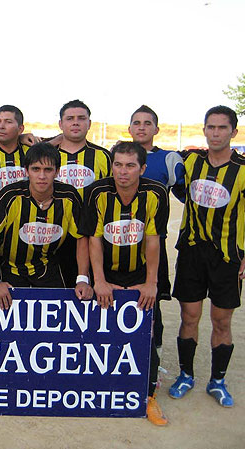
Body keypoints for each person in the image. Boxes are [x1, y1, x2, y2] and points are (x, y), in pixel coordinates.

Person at [168, 106, 245, 407]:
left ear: (234, 132)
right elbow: (148, 152)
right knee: (188, 317)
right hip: (192, 253)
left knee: (221, 321)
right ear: (204, 130)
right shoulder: (189, 160)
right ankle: (186, 374)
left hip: (227, 258)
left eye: (222, 128)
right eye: (210, 127)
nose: (215, 133)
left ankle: (217, 380)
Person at [83, 141, 169, 426]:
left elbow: (154, 239)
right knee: (98, 328)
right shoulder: (98, 192)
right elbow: (93, 238)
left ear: (142, 169)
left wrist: (150, 283)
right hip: (106, 271)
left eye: (130, 166)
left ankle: (148, 396)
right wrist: (100, 281)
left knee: (147, 331)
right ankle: (96, 389)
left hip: (139, 271)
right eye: (118, 165)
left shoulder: (155, 193)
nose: (123, 172)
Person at [0, 142, 93, 310]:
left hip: (48, 266)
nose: (42, 176)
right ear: (26, 171)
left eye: (48, 170)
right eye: (36, 169)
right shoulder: (10, 195)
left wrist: (82, 279)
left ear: (57, 172)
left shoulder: (68, 196)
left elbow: (81, 236)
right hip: (10, 267)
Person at [128, 104, 185, 354]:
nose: (141, 128)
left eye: (147, 123)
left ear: (157, 129)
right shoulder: (116, 156)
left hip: (153, 242)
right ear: (129, 128)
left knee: (153, 301)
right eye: (137, 123)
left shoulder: (168, 159)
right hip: (118, 242)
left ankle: (154, 356)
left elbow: (188, 196)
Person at [54, 99, 112, 288]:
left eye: (81, 118)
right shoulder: (47, 154)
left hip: (93, 234)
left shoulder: (103, 156)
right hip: (54, 234)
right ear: (61, 124)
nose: (76, 122)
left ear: (89, 123)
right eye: (70, 118)